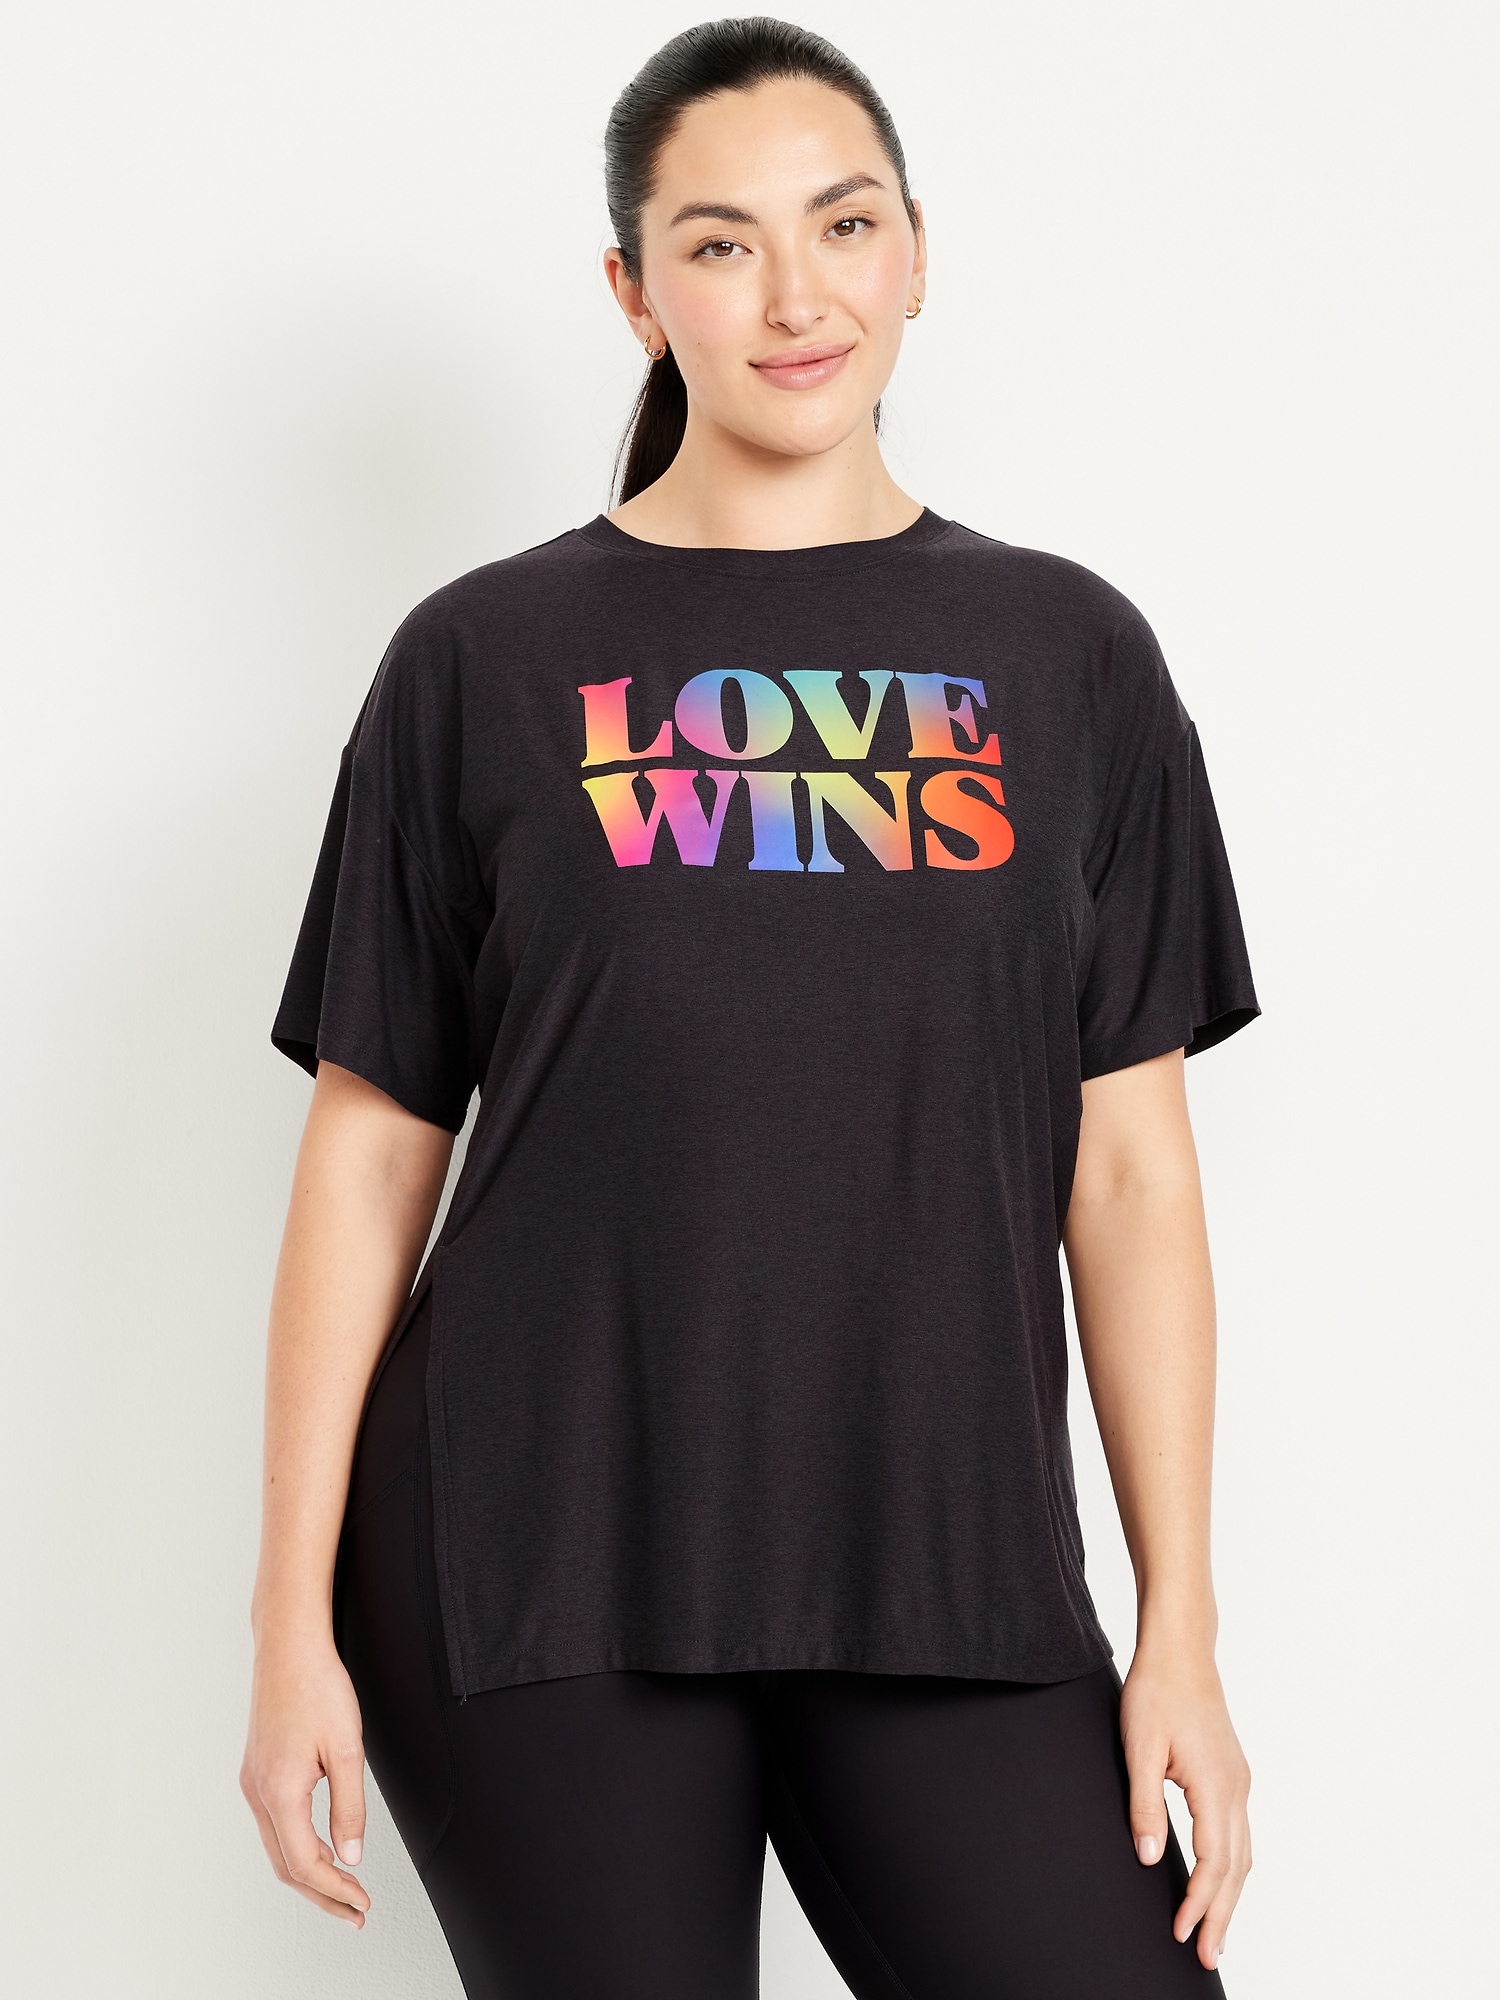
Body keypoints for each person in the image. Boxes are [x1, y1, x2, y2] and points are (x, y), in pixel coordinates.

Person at [241, 18, 1259, 1998]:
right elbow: (370, 1154)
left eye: (843, 225)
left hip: (946, 1554)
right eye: (720, 244)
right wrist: (287, 1619)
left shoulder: (1069, 655)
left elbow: (1130, 1175)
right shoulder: (482, 656)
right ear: (633, 292)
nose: (797, 296)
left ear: (916, 252)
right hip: (534, 1552)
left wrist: (1181, 1629)